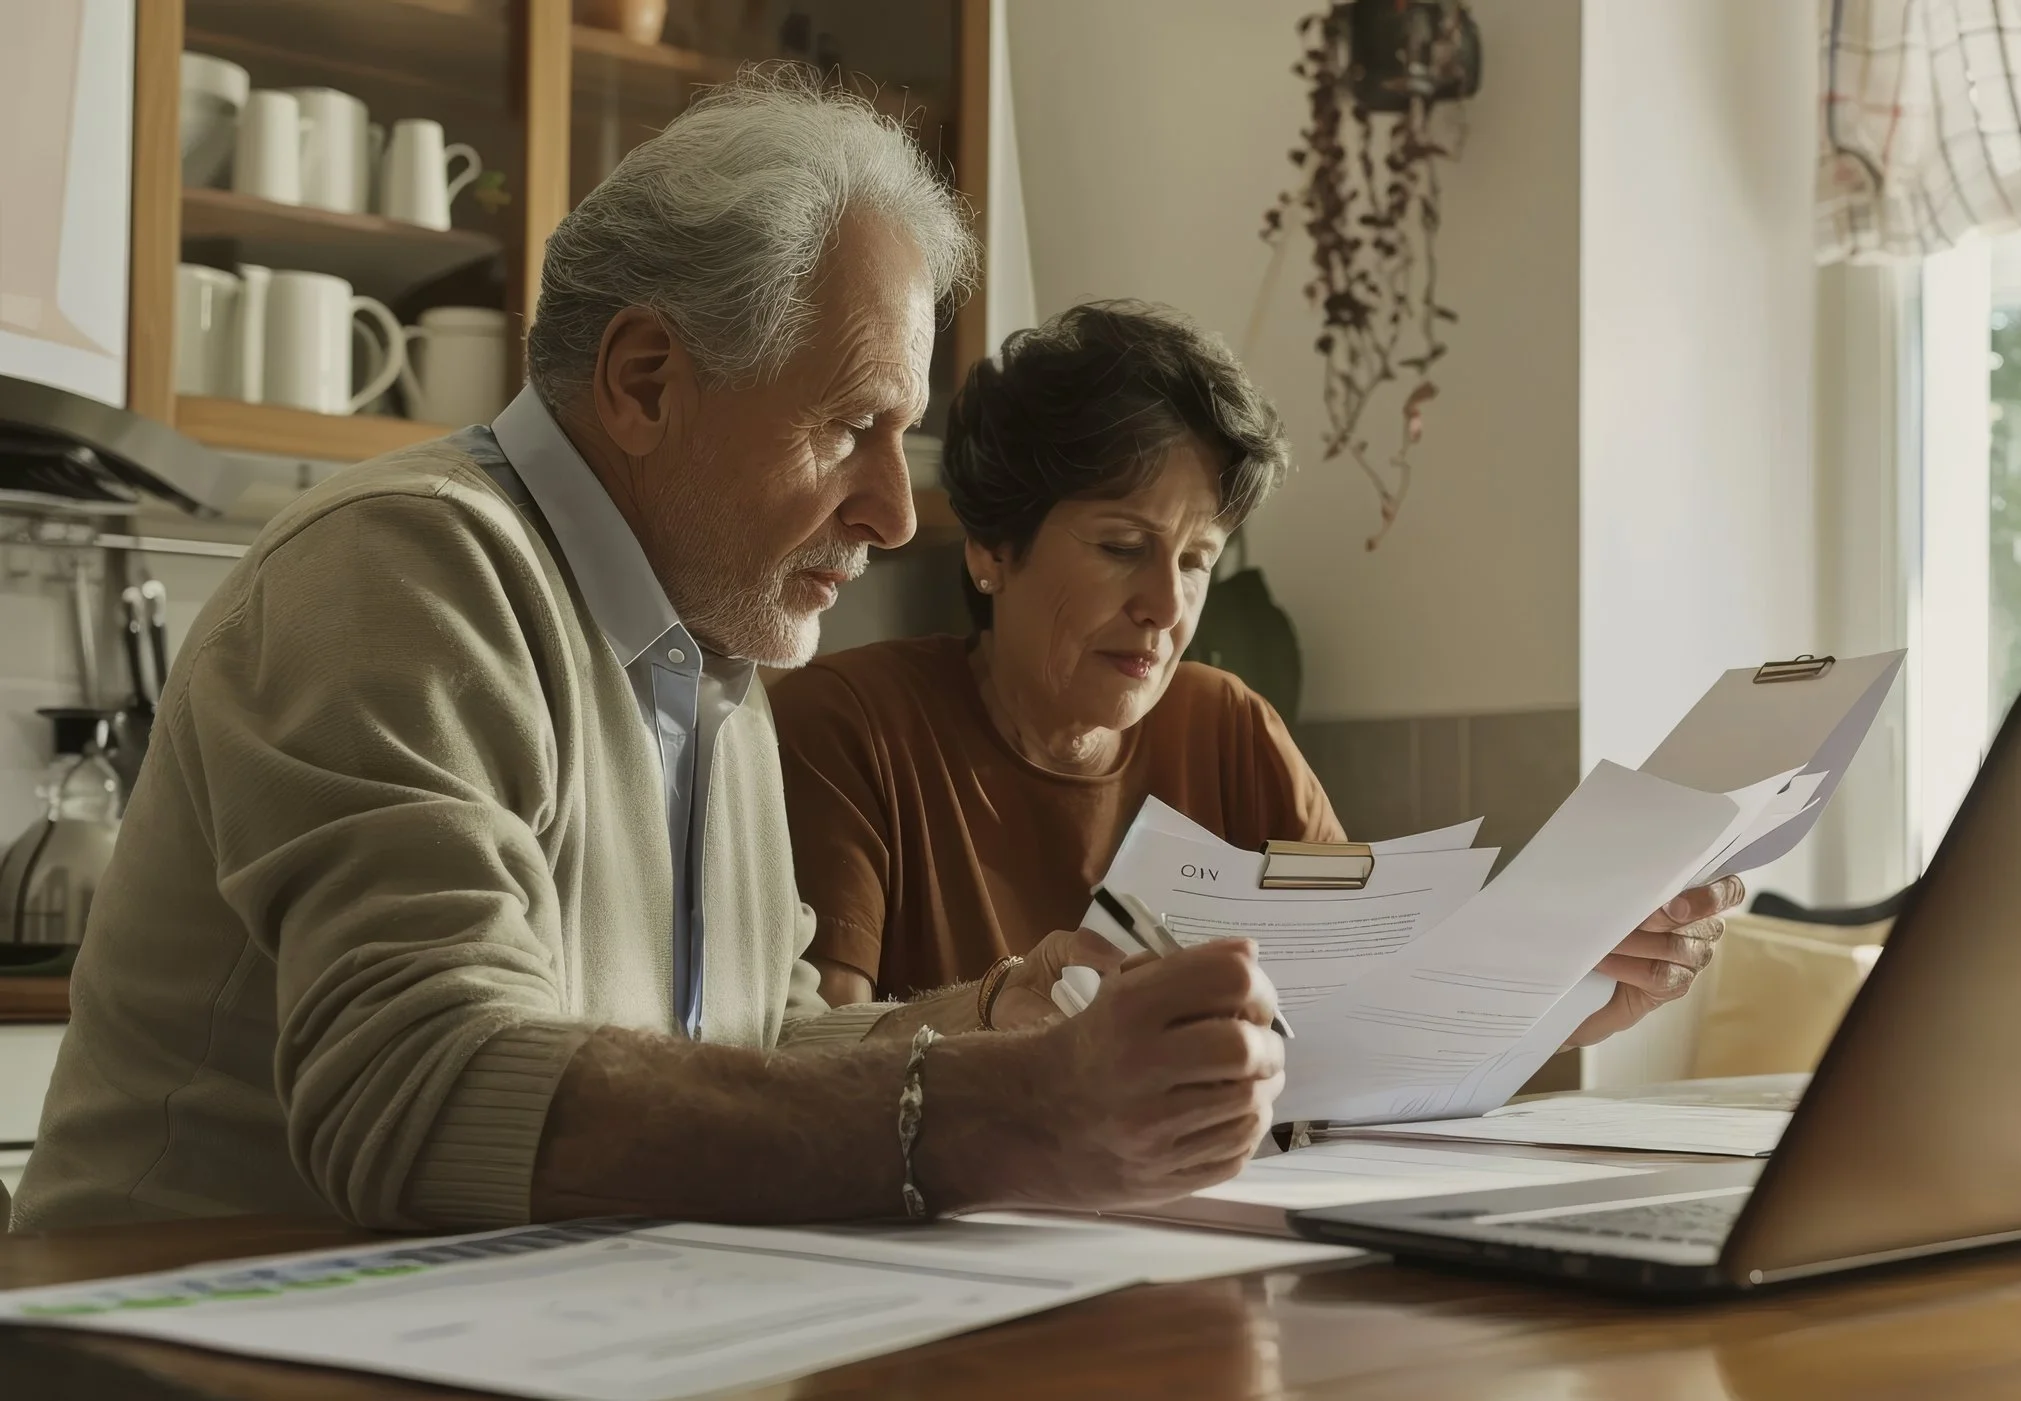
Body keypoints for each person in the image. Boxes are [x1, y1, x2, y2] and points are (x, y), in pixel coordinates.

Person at [11, 74, 1280, 1235]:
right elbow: (429, 1088)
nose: (897, 514)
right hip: (167, 1343)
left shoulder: (709, 655)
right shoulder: (403, 567)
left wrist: (991, 1021)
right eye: (853, 428)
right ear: (645, 378)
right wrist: (1006, 1115)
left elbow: (756, 1042)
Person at [774, 302, 1739, 1053]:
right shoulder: (849, 726)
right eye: (1122, 546)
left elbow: (1380, 1012)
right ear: (989, 547)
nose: (1166, 605)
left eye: (1197, 560)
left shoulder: (1227, 727)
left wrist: (1581, 995)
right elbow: (815, 1067)